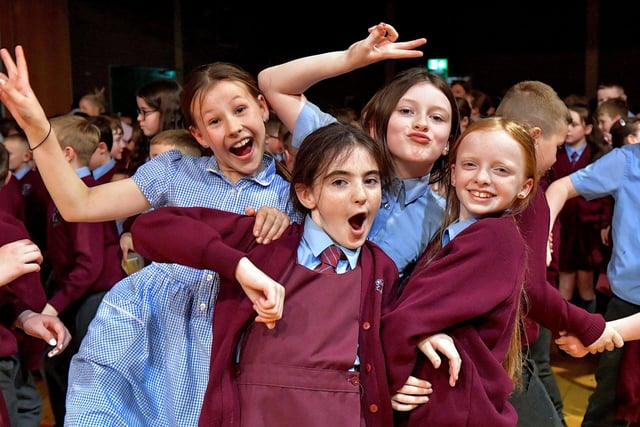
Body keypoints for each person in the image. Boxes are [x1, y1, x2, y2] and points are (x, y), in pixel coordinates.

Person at [0, 46, 305, 426]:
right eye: (214, 121)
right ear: (198, 134)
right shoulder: (173, 172)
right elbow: (80, 204)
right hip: (149, 334)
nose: (233, 127)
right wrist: (35, 126)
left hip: (234, 343)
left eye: (240, 110)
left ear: (263, 107)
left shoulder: (294, 192)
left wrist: (284, 222)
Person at [130, 122, 461, 427]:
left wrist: (416, 336)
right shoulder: (264, 239)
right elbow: (149, 228)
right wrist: (237, 266)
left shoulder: (380, 269)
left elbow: (385, 337)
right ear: (306, 194)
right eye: (340, 182)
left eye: (371, 181)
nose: (361, 195)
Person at [258, 22, 460, 281]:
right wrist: (348, 59)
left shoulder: (443, 218)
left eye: (437, 118)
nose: (421, 123)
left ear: (448, 143)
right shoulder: (341, 148)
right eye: (407, 111)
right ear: (379, 122)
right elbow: (272, 83)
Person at [382, 116, 536, 427]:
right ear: (452, 174)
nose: (482, 178)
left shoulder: (494, 239)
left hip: (449, 406)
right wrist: (422, 331)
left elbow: (408, 314)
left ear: (525, 187)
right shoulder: (454, 234)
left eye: (501, 170)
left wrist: (386, 372)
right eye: (470, 165)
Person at [494, 81, 619, 427]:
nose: (557, 158)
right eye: (558, 146)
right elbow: (531, 287)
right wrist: (587, 325)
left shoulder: (479, 184)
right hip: (503, 350)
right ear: (536, 137)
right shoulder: (529, 190)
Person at [40, 114, 126, 426]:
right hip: (78, 296)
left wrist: (53, 306)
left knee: (80, 379)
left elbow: (89, 265)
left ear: (67, 154)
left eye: (43, 148)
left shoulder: (84, 194)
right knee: (58, 371)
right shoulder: (65, 192)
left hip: (93, 300)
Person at [546, 141, 640, 427]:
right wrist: (543, 236)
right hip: (627, 301)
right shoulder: (627, 160)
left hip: (621, 318)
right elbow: (560, 187)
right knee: (609, 401)